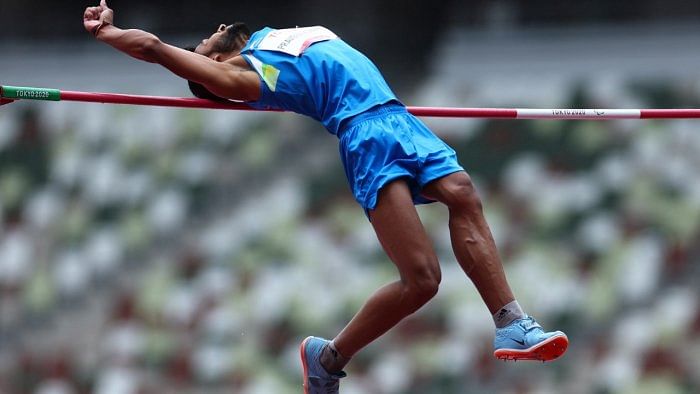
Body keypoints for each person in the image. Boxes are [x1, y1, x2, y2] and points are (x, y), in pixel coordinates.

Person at [83, 2, 569, 393]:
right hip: (366, 135)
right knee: (422, 280)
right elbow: (151, 46)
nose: (212, 31)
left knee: (463, 192)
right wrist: (106, 32)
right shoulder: (243, 78)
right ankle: (328, 357)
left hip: (397, 116)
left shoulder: (269, 39)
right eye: (205, 42)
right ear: (211, 65)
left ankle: (512, 323)